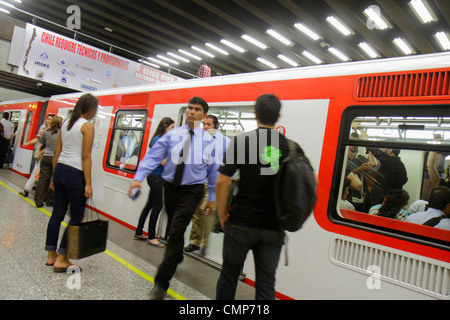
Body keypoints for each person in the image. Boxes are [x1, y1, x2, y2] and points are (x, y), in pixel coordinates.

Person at [128, 96, 220, 299]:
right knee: (173, 230)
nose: (191, 112)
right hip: (170, 188)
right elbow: (152, 156)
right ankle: (176, 254)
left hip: (192, 191)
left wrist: (212, 197)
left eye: (196, 109)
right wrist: (138, 178)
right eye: (189, 108)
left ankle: (160, 284)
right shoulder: (172, 136)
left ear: (204, 115)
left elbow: (213, 172)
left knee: (176, 231)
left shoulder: (209, 143)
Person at [215, 94, 289, 300]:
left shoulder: (242, 141)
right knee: (266, 284)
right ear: (278, 117)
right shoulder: (289, 146)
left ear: (255, 114)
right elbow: (313, 182)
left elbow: (222, 181)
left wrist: (222, 215)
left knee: (229, 276)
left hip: (241, 222)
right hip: (273, 227)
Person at [45, 93, 98, 272]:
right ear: (90, 108)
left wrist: (53, 176)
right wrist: (89, 183)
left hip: (60, 170)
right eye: (95, 108)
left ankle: (51, 255)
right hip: (75, 174)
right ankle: (62, 258)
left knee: (57, 215)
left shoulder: (66, 123)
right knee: (76, 216)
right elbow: (85, 156)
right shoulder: (87, 126)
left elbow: (56, 152)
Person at [184, 115, 230, 254]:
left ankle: (205, 242)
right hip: (200, 179)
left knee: (208, 211)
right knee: (197, 212)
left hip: (215, 182)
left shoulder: (225, 141)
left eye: (209, 124)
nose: (205, 127)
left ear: (215, 126)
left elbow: (229, 162)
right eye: (204, 124)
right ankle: (194, 242)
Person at [134, 117, 174, 247]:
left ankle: (139, 231)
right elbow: (162, 161)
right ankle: (151, 237)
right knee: (158, 206)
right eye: (171, 128)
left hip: (155, 176)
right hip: (156, 176)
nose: (172, 131)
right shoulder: (159, 140)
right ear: (165, 126)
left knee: (150, 205)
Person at [19, 114, 55, 197]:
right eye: (47, 119)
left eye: (50, 119)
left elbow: (51, 145)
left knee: (36, 172)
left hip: (45, 155)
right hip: (41, 154)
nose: (48, 121)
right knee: (38, 173)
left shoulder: (53, 131)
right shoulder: (44, 129)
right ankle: (33, 190)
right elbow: (37, 139)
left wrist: (42, 152)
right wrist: (28, 143)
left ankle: (27, 189)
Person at [34, 116, 62, 207]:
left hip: (46, 156)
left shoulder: (46, 132)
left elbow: (41, 141)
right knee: (54, 179)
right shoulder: (61, 133)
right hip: (56, 158)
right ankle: (50, 200)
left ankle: (38, 200)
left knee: (43, 179)